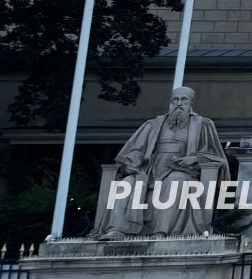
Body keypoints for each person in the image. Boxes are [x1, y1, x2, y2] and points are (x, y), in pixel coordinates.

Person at [97, 87, 228, 238]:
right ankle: (117, 230)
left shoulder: (202, 124)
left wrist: (196, 158)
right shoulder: (154, 124)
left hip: (183, 171)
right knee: (127, 182)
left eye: (183, 99)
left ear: (191, 102)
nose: (179, 103)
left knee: (176, 181)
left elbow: (217, 155)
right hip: (150, 169)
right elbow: (136, 150)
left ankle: (160, 232)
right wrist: (134, 162)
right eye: (175, 100)